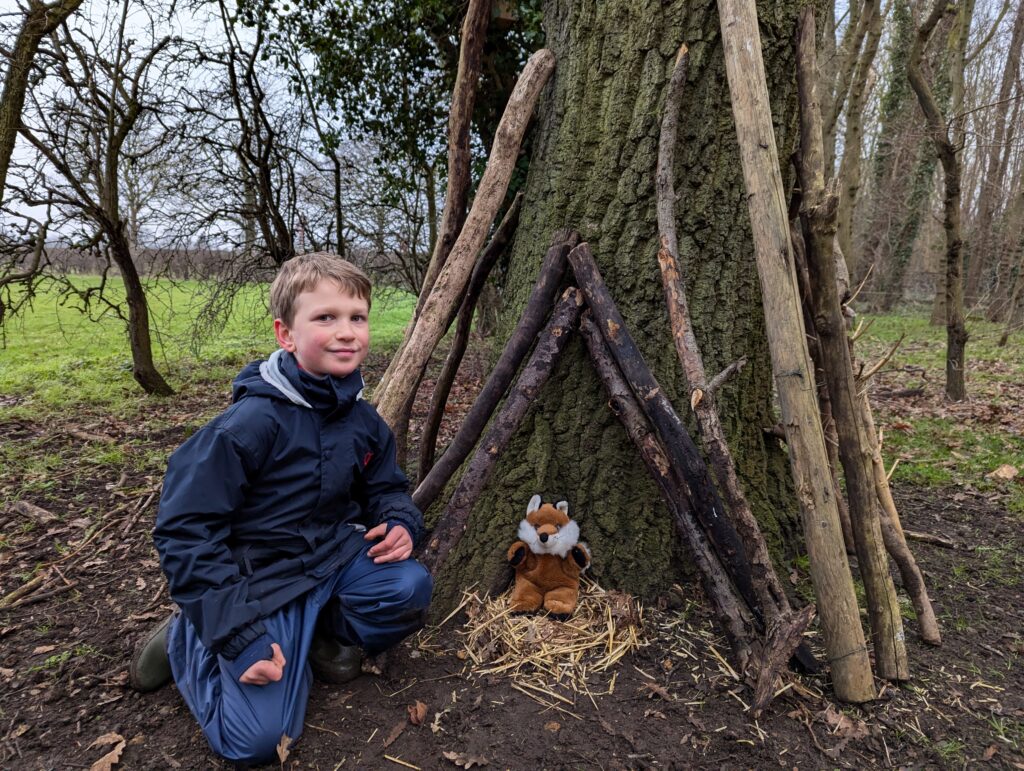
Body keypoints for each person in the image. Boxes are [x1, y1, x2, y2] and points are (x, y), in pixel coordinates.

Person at [129, 253, 433, 764]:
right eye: (325, 318)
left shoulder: (362, 419)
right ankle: (193, 639)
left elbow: (386, 489)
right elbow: (185, 533)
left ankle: (317, 638)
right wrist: (238, 636)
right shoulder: (247, 426)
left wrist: (400, 520)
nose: (346, 332)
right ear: (285, 334)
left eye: (357, 317)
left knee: (409, 587)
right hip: (260, 583)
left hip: (329, 562)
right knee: (257, 742)